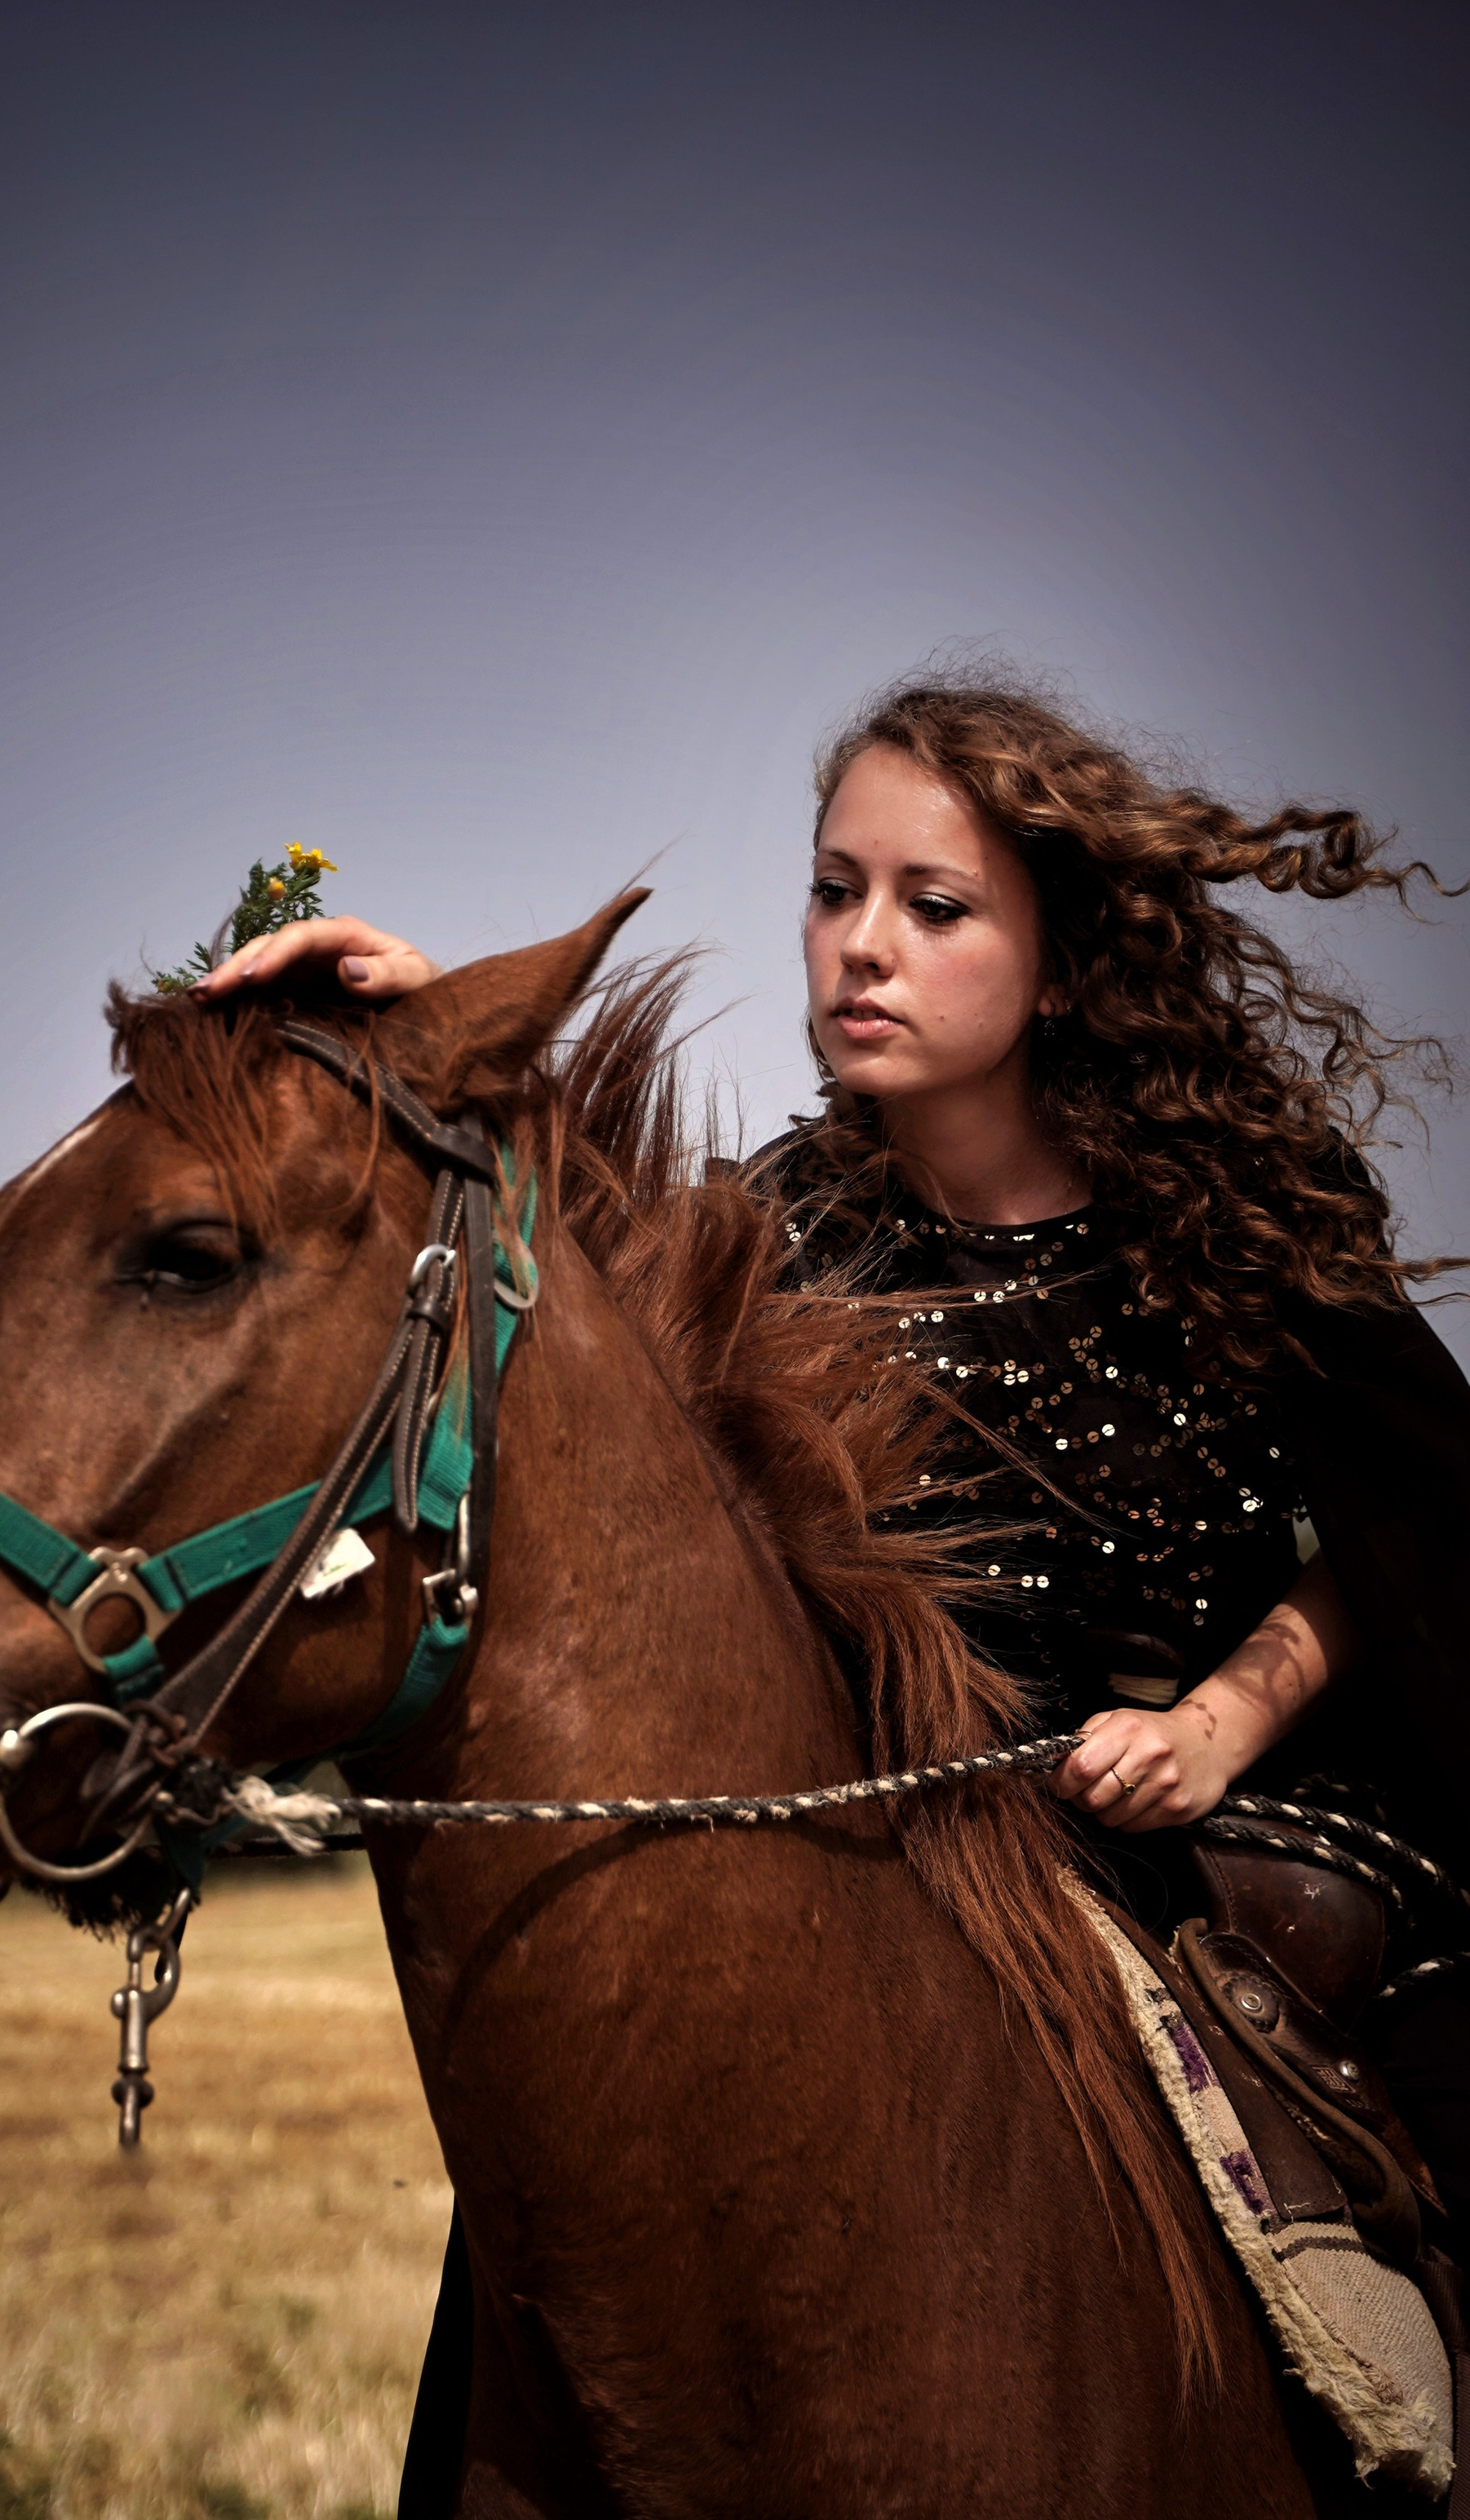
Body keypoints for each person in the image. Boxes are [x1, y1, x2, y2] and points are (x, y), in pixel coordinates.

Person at [193, 674, 1470, 2216]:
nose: (862, 945)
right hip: (916, 1869)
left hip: (1253, 1844)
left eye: (935, 908)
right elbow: (573, 1262)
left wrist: (1218, 1727)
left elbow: (1423, 1538)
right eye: (833, 891)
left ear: (1059, 969)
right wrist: (420, 1011)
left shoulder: (1235, 1224)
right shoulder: (775, 1234)